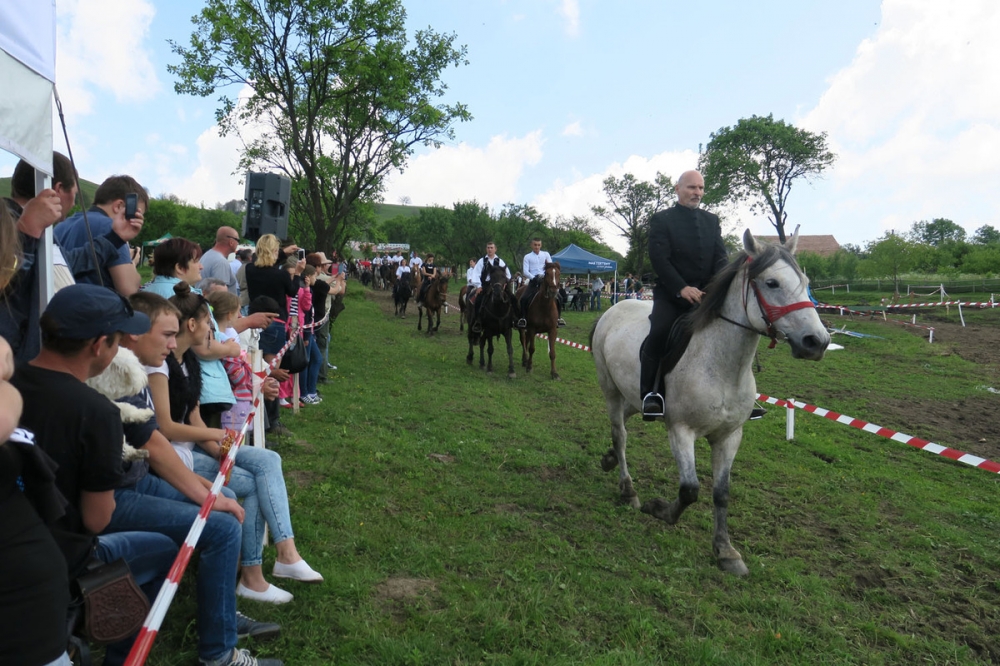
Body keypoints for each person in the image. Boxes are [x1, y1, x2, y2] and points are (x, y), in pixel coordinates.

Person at [91, 291, 283, 666]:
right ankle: (218, 653)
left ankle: (224, 619)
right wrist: (209, 495)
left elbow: (161, 445)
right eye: (165, 334)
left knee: (226, 511)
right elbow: (159, 445)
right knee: (223, 526)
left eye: (174, 333)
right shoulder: (130, 374)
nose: (172, 342)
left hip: (138, 479)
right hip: (119, 493)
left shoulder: (144, 367)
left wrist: (208, 495)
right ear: (131, 335)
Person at [11, 284, 181, 666]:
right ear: (99, 345)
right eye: (119, 340)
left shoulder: (10, 386)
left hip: (13, 543)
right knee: (164, 549)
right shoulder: (97, 412)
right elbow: (97, 518)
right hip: (63, 556)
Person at [150, 283, 322, 604]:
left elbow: (196, 420)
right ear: (192, 325)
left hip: (194, 448)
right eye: (209, 325)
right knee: (256, 483)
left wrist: (224, 453)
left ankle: (286, 552)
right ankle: (253, 576)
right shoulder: (163, 365)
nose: (213, 333)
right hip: (173, 457)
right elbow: (168, 428)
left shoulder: (188, 363)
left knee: (269, 461)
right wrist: (218, 439)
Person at [640, 170, 729, 421]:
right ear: (677, 188)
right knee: (659, 332)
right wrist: (681, 288)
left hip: (706, 296)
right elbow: (660, 259)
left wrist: (716, 288)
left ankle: (739, 397)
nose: (697, 193)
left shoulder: (712, 221)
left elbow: (721, 258)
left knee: (735, 330)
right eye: (692, 188)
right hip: (672, 294)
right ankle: (651, 394)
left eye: (701, 188)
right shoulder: (662, 219)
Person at [54, 174, 147, 296]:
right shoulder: (112, 228)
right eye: (136, 213)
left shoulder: (60, 226)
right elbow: (129, 291)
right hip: (94, 309)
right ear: (119, 206)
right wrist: (131, 263)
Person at [516, 237, 565, 328]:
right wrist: (534, 277)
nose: (537, 247)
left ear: (541, 245)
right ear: (531, 245)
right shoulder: (527, 257)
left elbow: (550, 267)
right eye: (535, 245)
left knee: (560, 298)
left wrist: (547, 277)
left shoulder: (546, 254)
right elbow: (525, 271)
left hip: (545, 281)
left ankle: (558, 319)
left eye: (538, 245)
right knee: (523, 298)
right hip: (533, 281)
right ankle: (523, 318)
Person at [470, 242, 511, 334]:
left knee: (511, 298)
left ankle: (513, 319)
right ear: (486, 249)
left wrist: (504, 284)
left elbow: (508, 275)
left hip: (498, 286)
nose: (490, 249)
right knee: (479, 301)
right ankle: (478, 321)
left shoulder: (500, 261)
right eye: (488, 247)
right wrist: (479, 286)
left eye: (491, 248)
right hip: (485, 285)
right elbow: (475, 274)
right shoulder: (482, 261)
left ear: (495, 249)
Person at [199, 227, 241, 294]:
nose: (238, 243)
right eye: (238, 240)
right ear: (231, 242)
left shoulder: (206, 255)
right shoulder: (221, 262)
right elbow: (220, 295)